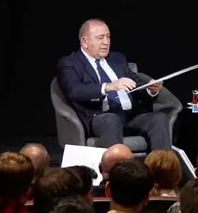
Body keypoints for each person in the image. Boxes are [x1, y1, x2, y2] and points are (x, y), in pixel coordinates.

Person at [55, 18, 170, 151]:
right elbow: (75, 91)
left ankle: (162, 163)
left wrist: (150, 88)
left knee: (159, 118)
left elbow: (135, 81)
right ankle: (115, 164)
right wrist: (108, 87)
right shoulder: (70, 63)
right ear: (85, 42)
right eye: (100, 38)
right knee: (111, 120)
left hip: (129, 116)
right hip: (100, 117)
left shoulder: (117, 58)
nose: (106, 42)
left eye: (108, 37)